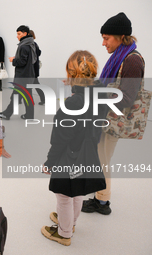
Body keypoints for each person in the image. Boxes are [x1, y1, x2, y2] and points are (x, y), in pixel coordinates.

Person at [41, 50, 108, 246]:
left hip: (69, 154)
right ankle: (71, 223)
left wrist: (50, 162)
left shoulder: (73, 103)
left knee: (63, 194)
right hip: (88, 151)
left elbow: (60, 138)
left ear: (71, 74)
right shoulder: (100, 93)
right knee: (77, 190)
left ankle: (64, 233)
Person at [81, 12, 145, 215]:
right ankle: (99, 195)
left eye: (106, 38)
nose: (103, 43)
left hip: (112, 120)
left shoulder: (132, 61)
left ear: (121, 37)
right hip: (104, 117)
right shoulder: (120, 57)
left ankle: (102, 202)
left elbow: (126, 98)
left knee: (102, 160)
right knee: (99, 157)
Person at [0, 25, 37, 120]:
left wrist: (14, 59)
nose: (17, 36)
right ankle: (29, 115)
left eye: (19, 34)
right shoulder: (31, 43)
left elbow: (22, 62)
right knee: (27, 97)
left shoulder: (24, 46)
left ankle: (7, 114)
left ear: (25, 34)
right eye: (17, 34)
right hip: (29, 75)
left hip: (22, 76)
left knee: (15, 97)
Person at [29, 29, 45, 105]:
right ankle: (43, 99)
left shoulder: (31, 45)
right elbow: (39, 53)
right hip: (34, 69)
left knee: (29, 86)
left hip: (31, 70)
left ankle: (31, 101)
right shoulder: (35, 44)